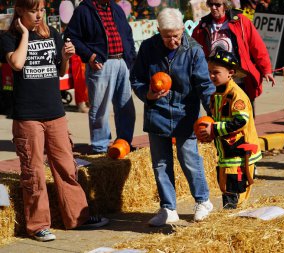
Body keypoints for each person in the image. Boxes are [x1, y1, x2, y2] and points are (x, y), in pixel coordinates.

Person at [0, 0, 108, 242]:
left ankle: (77, 218)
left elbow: (60, 72)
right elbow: (16, 64)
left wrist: (66, 57)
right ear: (20, 11)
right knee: (33, 171)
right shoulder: (10, 38)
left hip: (55, 112)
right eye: (33, 11)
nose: (39, 15)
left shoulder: (54, 34)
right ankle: (38, 225)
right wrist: (26, 34)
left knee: (67, 167)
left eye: (41, 10)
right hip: (28, 116)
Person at [130, 8, 216, 227]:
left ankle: (203, 201)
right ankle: (168, 208)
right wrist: (147, 94)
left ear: (182, 30)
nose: (173, 40)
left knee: (189, 159)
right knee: (160, 163)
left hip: (184, 114)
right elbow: (137, 78)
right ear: (158, 31)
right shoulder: (149, 48)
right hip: (156, 113)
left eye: (176, 35)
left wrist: (213, 111)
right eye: (167, 36)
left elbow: (203, 85)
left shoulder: (193, 50)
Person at [65, 0, 136, 154]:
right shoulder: (84, 10)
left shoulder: (115, 8)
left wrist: (130, 58)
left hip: (122, 62)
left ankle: (124, 143)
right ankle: (100, 147)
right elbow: (71, 36)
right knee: (100, 110)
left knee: (126, 107)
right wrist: (90, 56)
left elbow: (128, 34)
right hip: (101, 64)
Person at [198, 49, 262, 209]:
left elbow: (240, 121)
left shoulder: (236, 95)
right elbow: (217, 119)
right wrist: (208, 132)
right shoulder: (216, 96)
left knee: (236, 187)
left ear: (231, 73)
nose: (212, 76)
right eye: (210, 72)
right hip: (226, 152)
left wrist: (214, 129)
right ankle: (229, 213)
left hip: (240, 152)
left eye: (216, 72)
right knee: (225, 185)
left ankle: (234, 215)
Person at [192, 0, 275, 118]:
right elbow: (193, 49)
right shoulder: (203, 26)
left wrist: (266, 69)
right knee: (220, 117)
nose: (214, 8)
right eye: (211, 5)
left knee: (244, 117)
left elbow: (257, 46)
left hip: (241, 81)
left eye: (218, 5)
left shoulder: (241, 21)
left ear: (225, 5)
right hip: (216, 82)